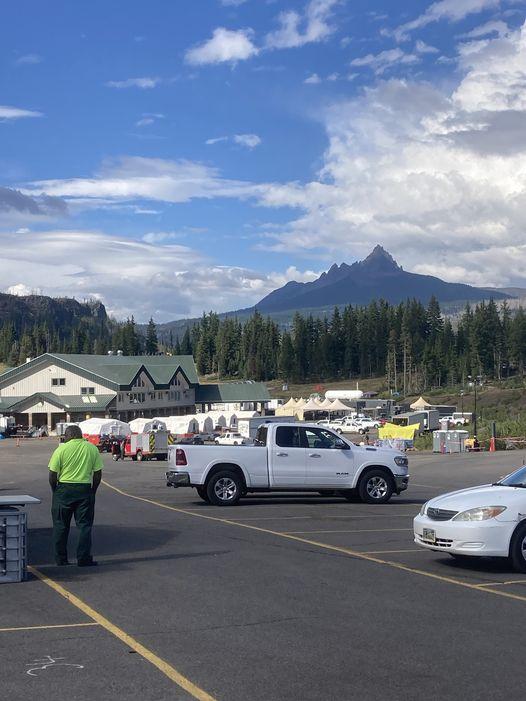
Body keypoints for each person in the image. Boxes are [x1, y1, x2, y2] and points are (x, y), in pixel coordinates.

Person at [48, 425, 103, 567]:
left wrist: (55, 491)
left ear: (68, 436)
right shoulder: (91, 448)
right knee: (84, 526)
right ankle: (83, 558)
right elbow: (97, 473)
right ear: (80, 435)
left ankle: (61, 559)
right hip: (84, 489)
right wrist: (93, 490)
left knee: (60, 526)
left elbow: (52, 475)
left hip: (64, 489)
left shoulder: (61, 449)